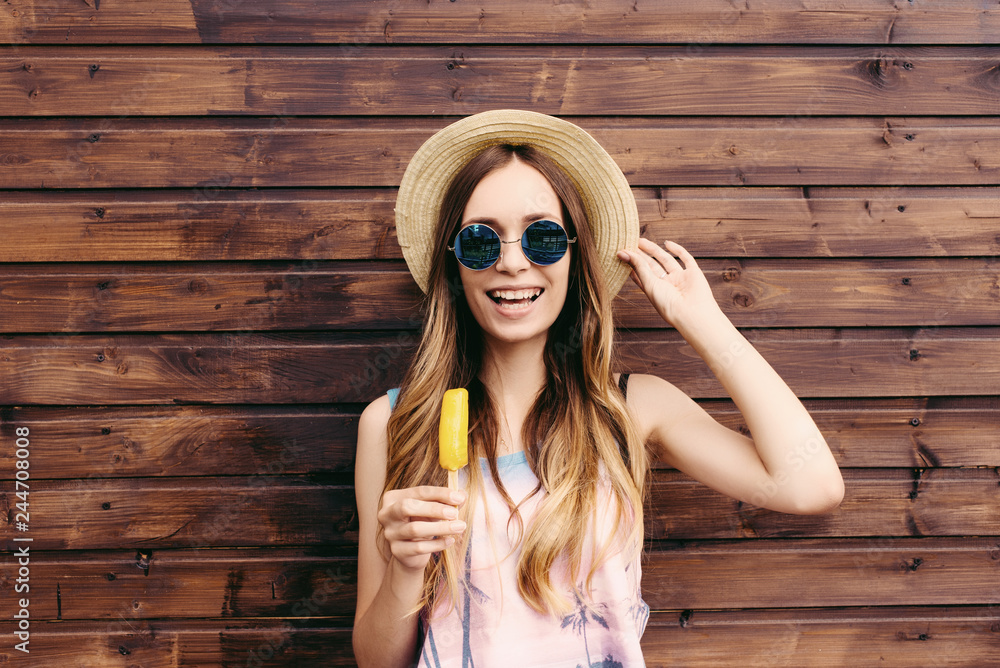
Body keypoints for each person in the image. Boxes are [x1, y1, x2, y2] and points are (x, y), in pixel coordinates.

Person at [353, 110, 844, 667]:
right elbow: (377, 662)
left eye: (541, 237)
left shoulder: (633, 408)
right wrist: (404, 569)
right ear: (454, 263)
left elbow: (810, 485)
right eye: (481, 242)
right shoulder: (393, 424)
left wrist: (701, 321)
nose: (513, 263)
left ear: (573, 252)